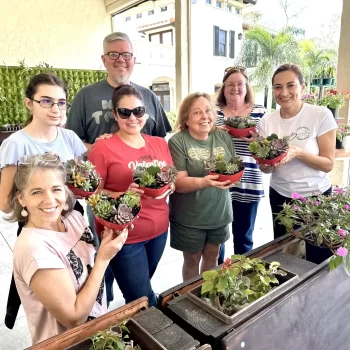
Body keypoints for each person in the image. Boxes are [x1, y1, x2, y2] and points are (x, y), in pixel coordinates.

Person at [65, 32, 172, 303]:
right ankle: (106, 302)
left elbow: (161, 149)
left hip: (157, 225)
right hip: (115, 215)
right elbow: (73, 143)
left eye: (126, 54)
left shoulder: (148, 98)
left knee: (138, 287)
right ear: (104, 59)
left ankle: (121, 308)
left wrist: (164, 184)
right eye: (114, 54)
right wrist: (94, 150)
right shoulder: (86, 96)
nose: (120, 60)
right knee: (124, 283)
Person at [8, 154, 127, 345]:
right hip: (69, 343)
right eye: (36, 192)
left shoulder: (72, 218)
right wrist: (103, 260)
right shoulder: (34, 249)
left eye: (56, 189)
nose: (49, 200)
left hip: (97, 333)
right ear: (21, 199)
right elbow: (74, 318)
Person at [0, 73, 87, 329]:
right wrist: (39, 202)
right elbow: (5, 201)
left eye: (61, 102)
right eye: (46, 101)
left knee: (81, 281)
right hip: (39, 228)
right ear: (30, 103)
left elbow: (83, 184)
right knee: (50, 303)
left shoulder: (70, 137)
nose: (56, 109)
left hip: (72, 222)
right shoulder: (16, 144)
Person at [88, 84, 173, 307]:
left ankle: (136, 330)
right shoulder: (103, 148)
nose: (133, 117)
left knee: (141, 290)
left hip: (159, 229)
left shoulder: (159, 143)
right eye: (125, 112)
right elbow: (92, 193)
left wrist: (169, 187)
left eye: (138, 111)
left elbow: (169, 177)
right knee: (142, 299)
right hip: (123, 235)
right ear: (115, 114)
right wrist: (121, 194)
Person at [258, 63, 337, 239]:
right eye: (278, 87)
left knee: (319, 253)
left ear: (302, 87)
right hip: (280, 197)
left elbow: (328, 164)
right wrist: (267, 164)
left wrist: (298, 153)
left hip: (317, 197)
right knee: (286, 253)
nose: (284, 92)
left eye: (290, 85)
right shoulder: (267, 122)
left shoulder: (320, 115)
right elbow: (265, 168)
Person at [168, 92, 235, 281]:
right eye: (197, 112)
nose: (205, 116)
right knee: (192, 259)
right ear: (186, 119)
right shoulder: (178, 141)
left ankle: (207, 296)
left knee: (213, 256)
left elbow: (233, 169)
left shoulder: (223, 137)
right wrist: (204, 181)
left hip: (219, 212)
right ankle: (190, 297)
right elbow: (178, 183)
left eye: (207, 110)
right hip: (190, 217)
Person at [216, 67, 267, 259]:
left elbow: (268, 146)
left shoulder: (260, 111)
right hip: (219, 182)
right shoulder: (213, 111)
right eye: (230, 84)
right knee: (217, 236)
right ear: (224, 87)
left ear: (247, 87)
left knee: (244, 236)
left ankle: (241, 277)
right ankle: (218, 275)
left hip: (249, 180)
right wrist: (214, 133)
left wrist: (257, 142)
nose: (235, 88)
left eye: (240, 84)